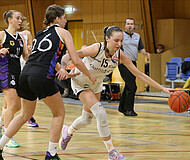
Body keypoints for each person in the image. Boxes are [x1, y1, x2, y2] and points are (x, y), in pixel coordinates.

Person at [59, 26, 175, 160]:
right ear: (107, 39)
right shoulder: (96, 49)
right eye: (116, 41)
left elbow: (140, 75)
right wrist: (63, 68)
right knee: (101, 113)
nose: (119, 44)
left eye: (121, 41)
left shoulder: (120, 56)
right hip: (80, 81)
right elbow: (69, 55)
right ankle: (112, 152)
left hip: (96, 84)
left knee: (86, 119)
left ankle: (67, 131)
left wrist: (162, 89)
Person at [0, 4, 96, 160]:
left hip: (25, 75)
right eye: (64, 18)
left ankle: (0, 146)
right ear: (57, 18)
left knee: (25, 114)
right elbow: (76, 60)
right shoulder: (63, 32)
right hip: (41, 75)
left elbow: (41, 57)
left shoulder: (39, 34)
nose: (66, 21)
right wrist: (89, 75)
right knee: (59, 113)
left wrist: (62, 70)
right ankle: (51, 154)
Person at [0, 10, 29, 148]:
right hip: (5, 72)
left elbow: (25, 57)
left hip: (18, 73)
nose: (20, 20)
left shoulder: (20, 37)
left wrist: (31, 51)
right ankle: (8, 137)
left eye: (21, 18)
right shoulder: (2, 35)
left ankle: (1, 126)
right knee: (12, 105)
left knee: (16, 106)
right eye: (18, 18)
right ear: (9, 19)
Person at [118, 18, 150, 116]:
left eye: (131, 24)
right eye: (128, 24)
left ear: (134, 26)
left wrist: (146, 54)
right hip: (123, 64)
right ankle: (129, 110)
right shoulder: (121, 36)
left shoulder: (137, 36)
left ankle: (122, 107)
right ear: (125, 25)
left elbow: (141, 49)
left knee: (128, 85)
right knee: (132, 86)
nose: (130, 25)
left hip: (133, 63)